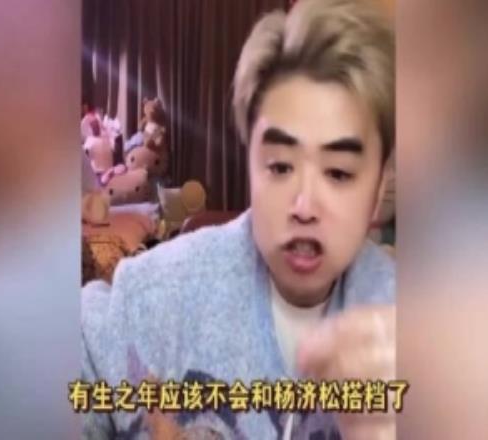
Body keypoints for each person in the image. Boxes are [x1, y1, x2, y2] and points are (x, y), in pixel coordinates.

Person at [81, 0, 395, 438]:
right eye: (280, 166)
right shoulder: (152, 298)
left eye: (339, 173)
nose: (304, 206)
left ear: (379, 187)